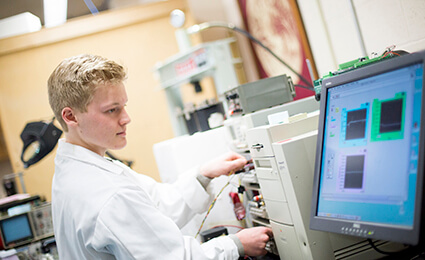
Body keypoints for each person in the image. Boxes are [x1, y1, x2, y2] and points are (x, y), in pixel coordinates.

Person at [47, 54, 273, 259]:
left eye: (124, 106)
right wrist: (236, 244)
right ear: (71, 116)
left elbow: (152, 211)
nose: (126, 118)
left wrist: (203, 175)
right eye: (112, 110)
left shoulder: (76, 171)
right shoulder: (107, 192)